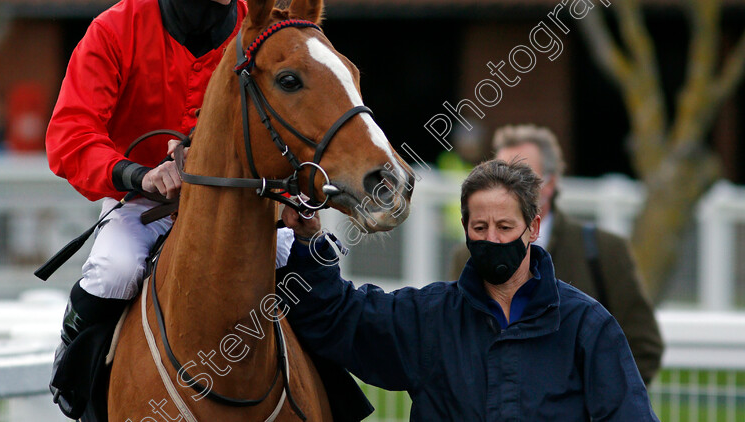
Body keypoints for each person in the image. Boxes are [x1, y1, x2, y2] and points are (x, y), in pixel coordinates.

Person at [44, 0, 299, 416]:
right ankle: (80, 393)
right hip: (141, 204)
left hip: (245, 207)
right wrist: (137, 175)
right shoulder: (114, 29)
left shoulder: (265, 38)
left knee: (299, 265)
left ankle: (331, 392)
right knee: (113, 268)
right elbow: (71, 134)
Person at [278, 159, 659, 420]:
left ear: (534, 228)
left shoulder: (586, 326)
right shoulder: (428, 318)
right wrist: (311, 242)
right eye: (480, 228)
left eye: (505, 227)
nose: (492, 239)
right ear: (465, 228)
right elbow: (336, 316)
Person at [449, 124, 663, 385]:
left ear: (550, 184)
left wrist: (594, 404)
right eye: (500, 174)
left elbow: (643, 347)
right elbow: (454, 343)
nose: (506, 186)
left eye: (522, 175)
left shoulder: (604, 250)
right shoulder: (467, 256)